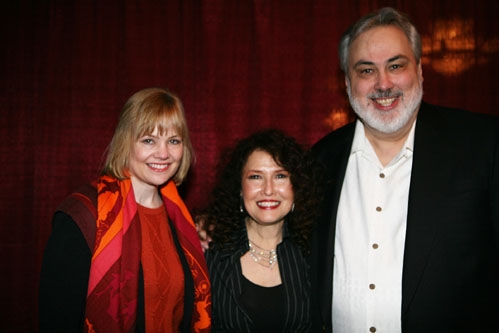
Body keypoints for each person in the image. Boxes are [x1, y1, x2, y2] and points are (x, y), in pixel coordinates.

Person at [310, 7, 499, 333]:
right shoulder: (318, 161)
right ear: (347, 83)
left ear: (420, 71)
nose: (384, 84)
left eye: (396, 66)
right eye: (366, 70)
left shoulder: (484, 145)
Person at [39, 87, 211, 332]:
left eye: (173, 141)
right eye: (148, 140)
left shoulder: (181, 222)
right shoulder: (84, 216)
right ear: (124, 141)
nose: (163, 153)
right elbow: (56, 318)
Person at [198, 129, 323, 332]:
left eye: (280, 176)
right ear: (240, 188)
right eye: (256, 177)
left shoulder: (315, 252)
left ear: (297, 186)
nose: (268, 190)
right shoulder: (209, 250)